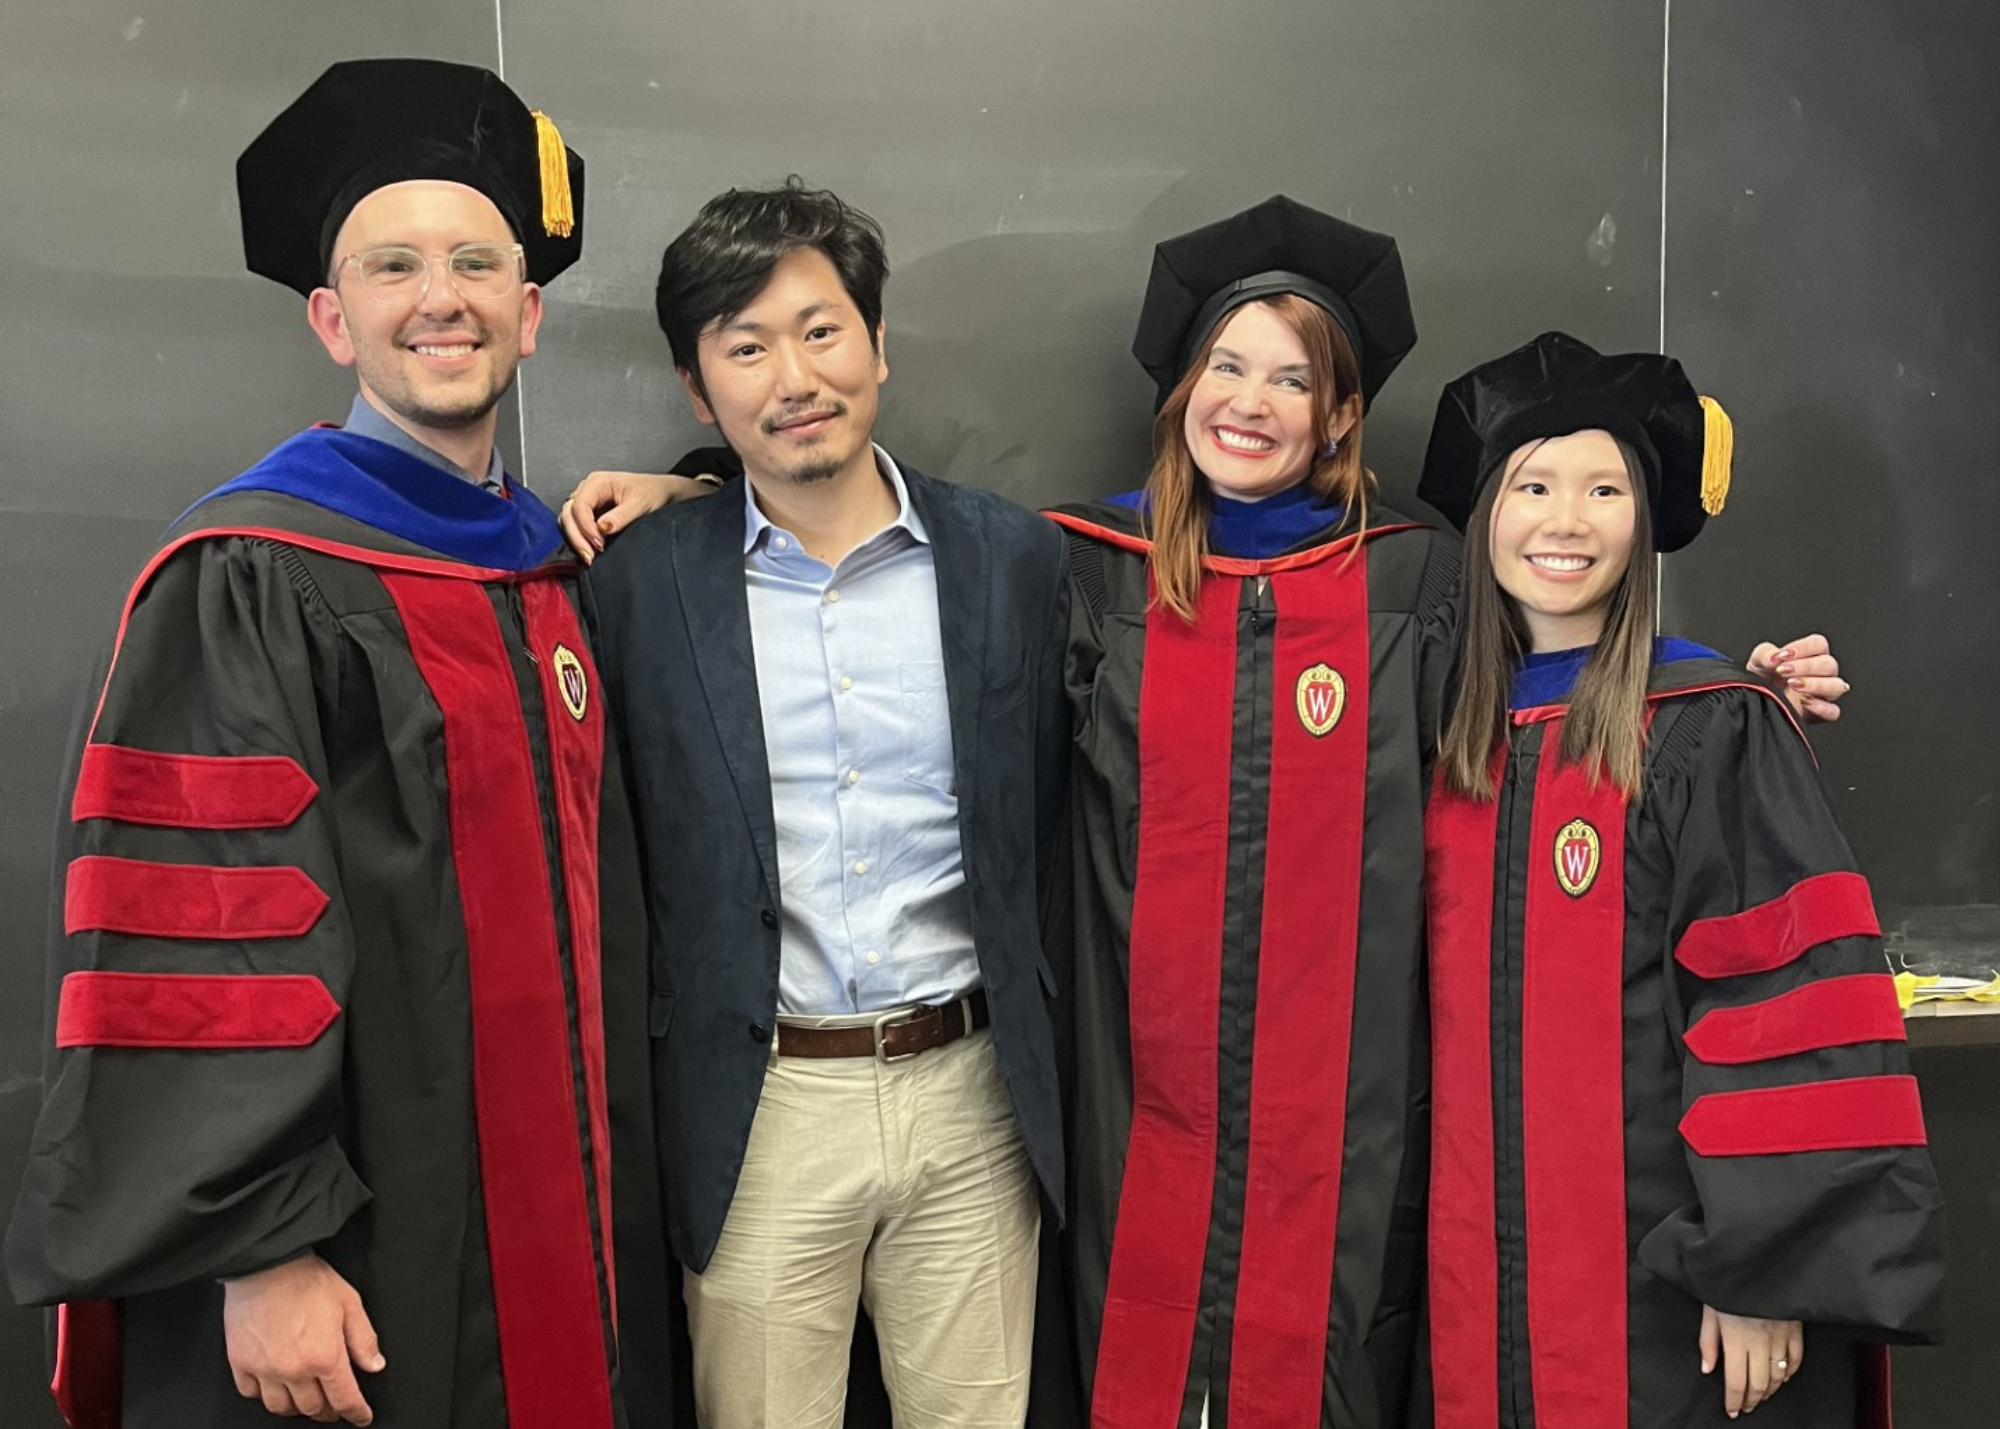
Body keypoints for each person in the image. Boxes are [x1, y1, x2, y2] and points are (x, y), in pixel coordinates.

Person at [560, 197, 1846, 1429]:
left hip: (1333, 1140)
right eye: (1226, 365)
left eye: (1292, 378)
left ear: (1341, 411)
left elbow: (1543, 687)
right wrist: (690, 493)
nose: (1251, 402)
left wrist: (1722, 696)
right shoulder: (1075, 569)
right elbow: (811, 522)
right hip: (1113, 1120)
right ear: (1179, 390)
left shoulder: (1407, 585)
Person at [5, 59, 674, 1429]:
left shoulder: (552, 575)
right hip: (363, 1238)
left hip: (576, 1214)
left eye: (478, 260)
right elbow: (209, 935)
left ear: (529, 312)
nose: (442, 296)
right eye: (394, 265)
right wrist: (262, 1244)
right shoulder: (253, 573)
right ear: (331, 316)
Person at [577, 179, 1068, 1429]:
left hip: (969, 1091)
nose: (790, 375)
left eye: (818, 329)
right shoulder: (638, 586)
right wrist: (688, 492)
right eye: (744, 347)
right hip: (759, 1102)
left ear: (878, 344)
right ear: (700, 389)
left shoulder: (1011, 559)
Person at [1416, 331, 1944, 1428]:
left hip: (1662, 1281)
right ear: (1483, 520)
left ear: (1644, 519)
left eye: (1602, 486)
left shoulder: (1706, 728)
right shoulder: (1438, 738)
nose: (1564, 520)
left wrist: (1759, 1270)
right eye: (1532, 485)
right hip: (1474, 1276)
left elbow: (1781, 1012)